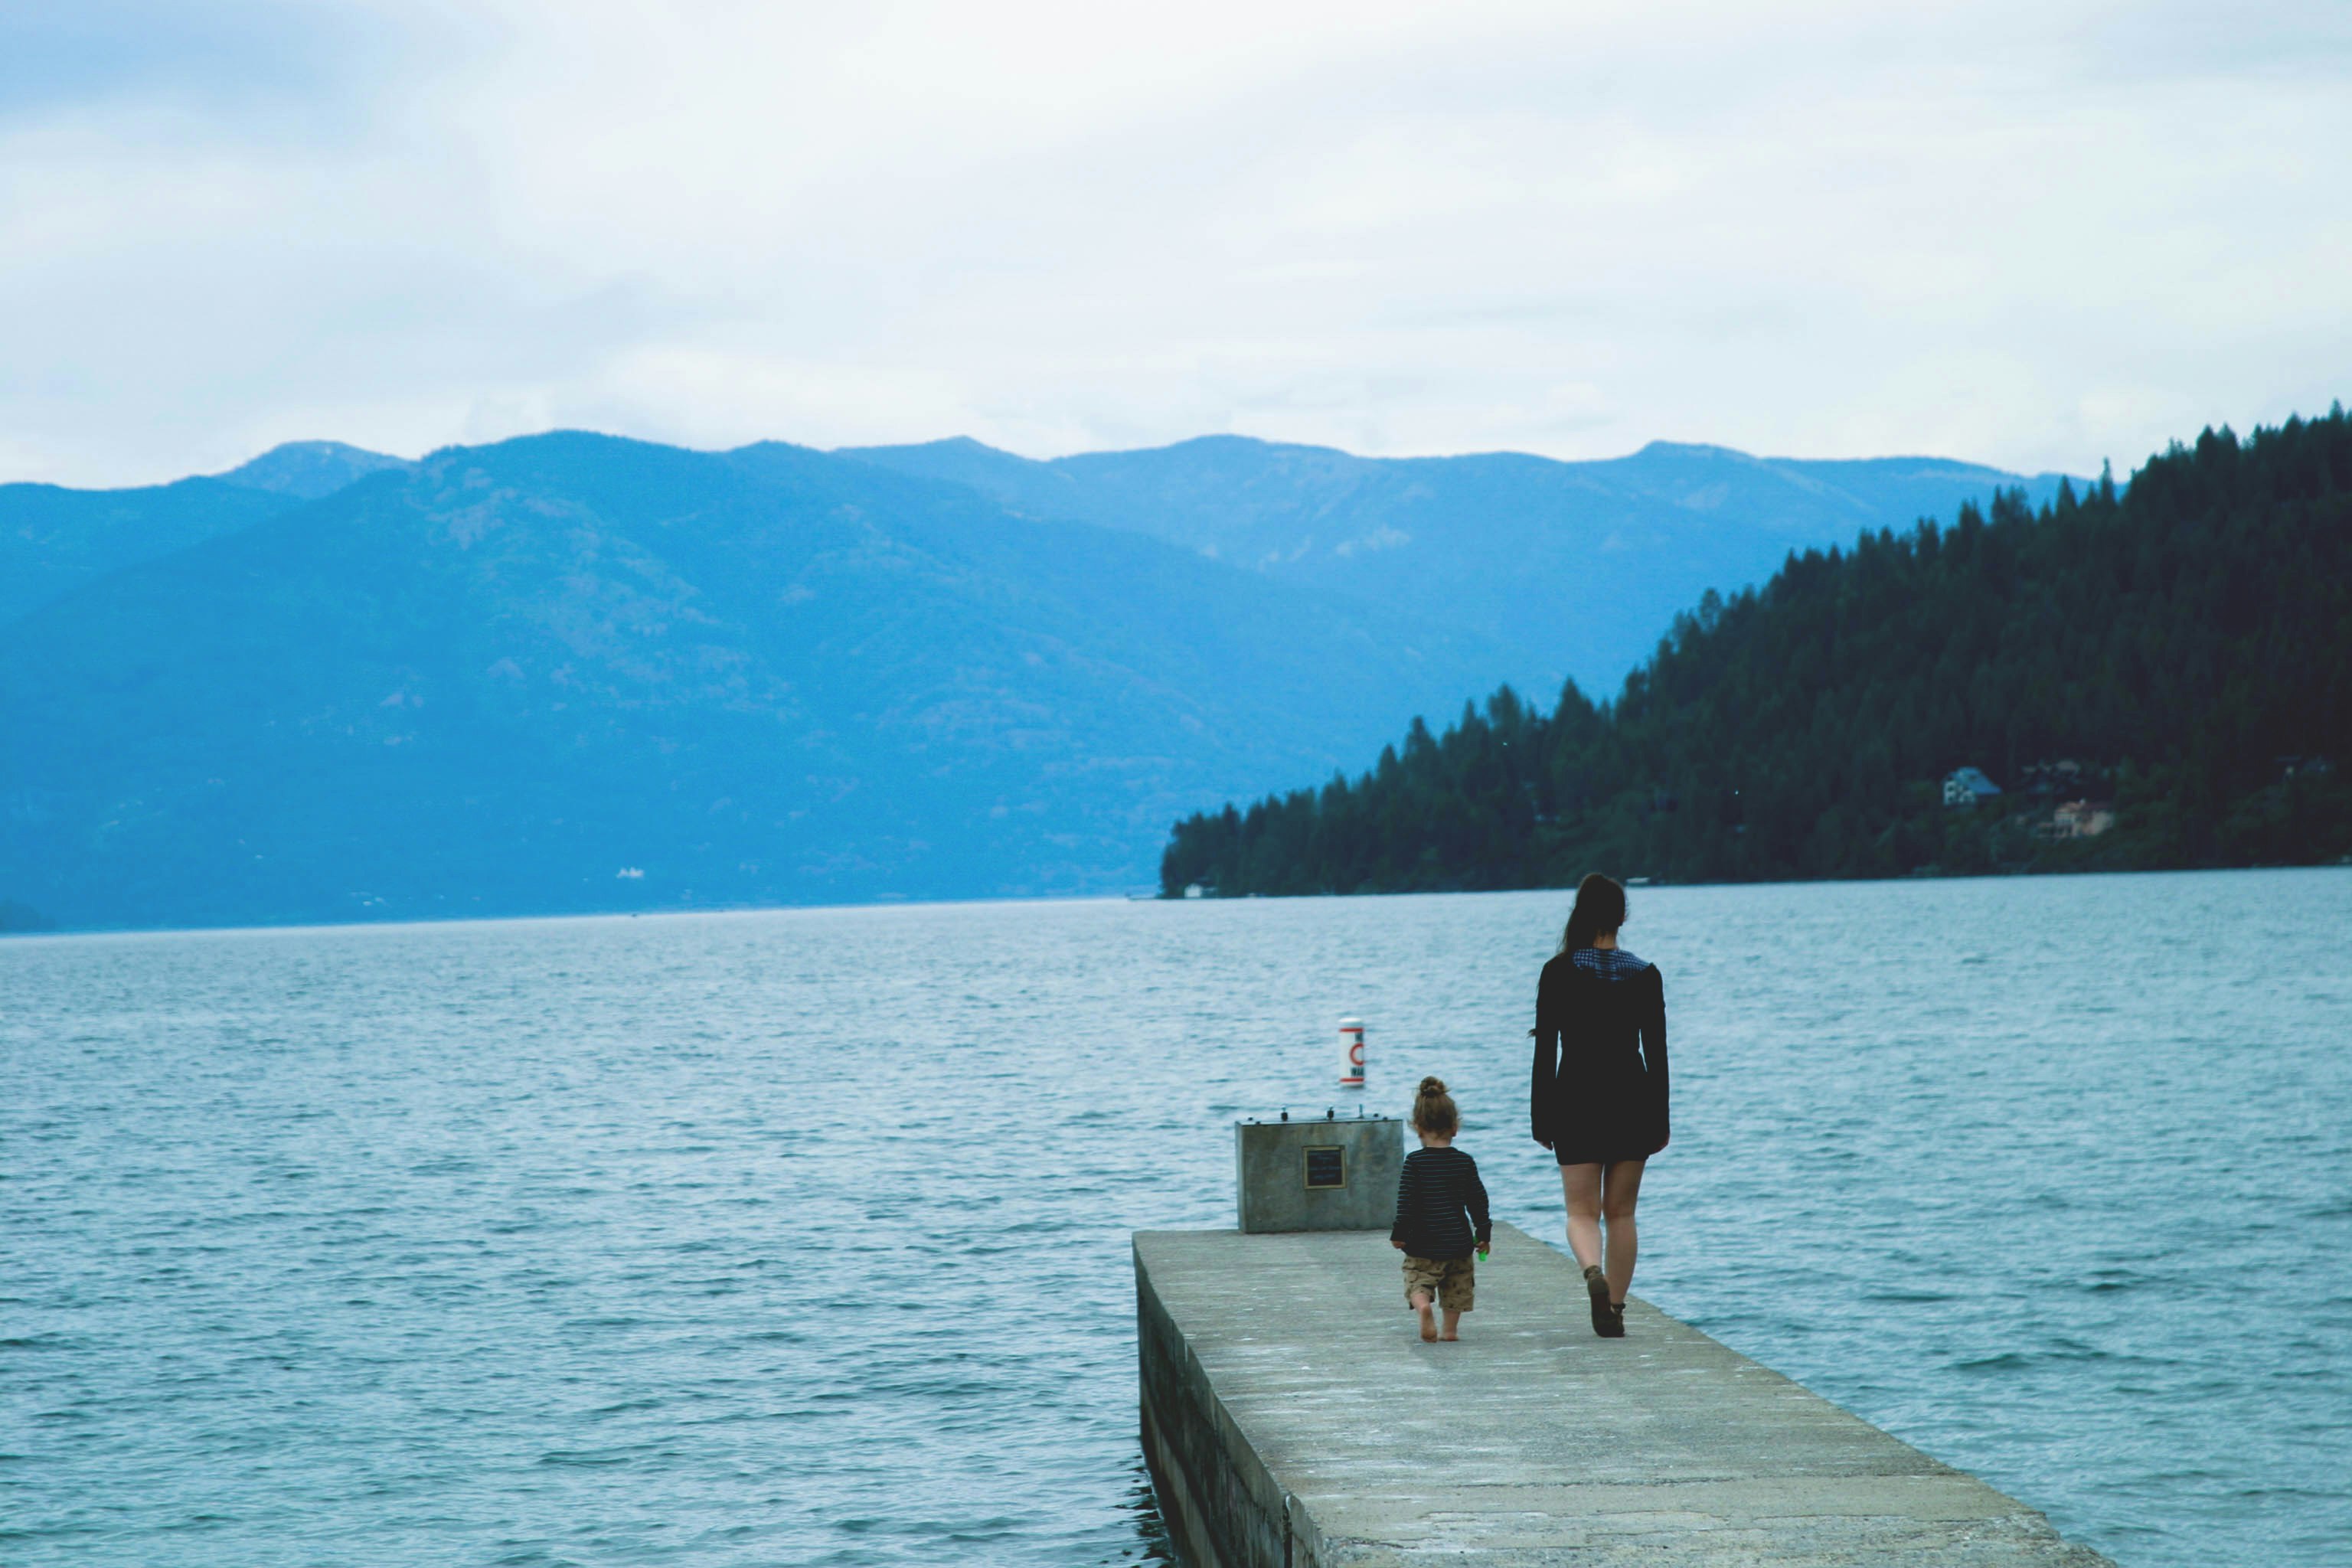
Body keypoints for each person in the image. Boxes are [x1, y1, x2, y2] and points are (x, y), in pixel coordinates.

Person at [1530, 873, 1668, 1338]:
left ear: (1581, 914)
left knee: (1581, 1212)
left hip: (1575, 1102)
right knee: (1623, 1213)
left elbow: (1545, 1051)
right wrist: (1661, 1119)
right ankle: (1615, 1308)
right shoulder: (1646, 975)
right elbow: (1658, 1054)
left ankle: (1593, 1271)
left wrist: (1541, 1116)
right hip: (1634, 1102)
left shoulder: (1557, 973)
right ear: (1622, 917)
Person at [1389, 1075, 1492, 1343]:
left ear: (1418, 1127)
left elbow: (1406, 1203)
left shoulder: (1414, 1162)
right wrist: (1483, 1232)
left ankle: (1423, 1306)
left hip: (1423, 1242)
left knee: (1418, 1280)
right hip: (1458, 1241)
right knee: (1457, 1286)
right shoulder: (1464, 1162)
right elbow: (1478, 1200)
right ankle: (1450, 1331)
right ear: (1455, 1127)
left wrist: (1399, 1233)